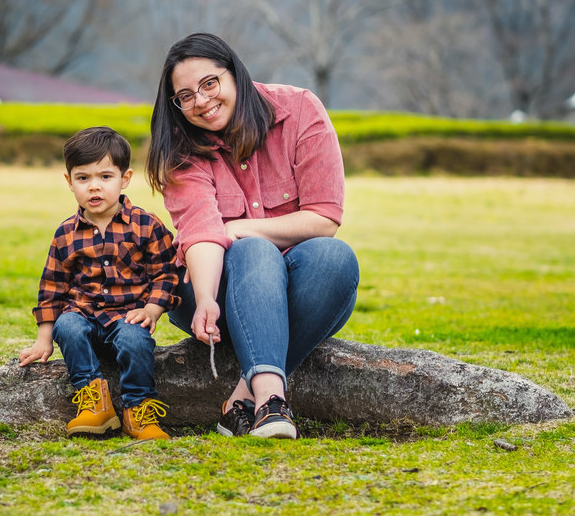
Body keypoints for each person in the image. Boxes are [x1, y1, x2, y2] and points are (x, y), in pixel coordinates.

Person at [146, 33, 359, 440]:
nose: (202, 101)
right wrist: (207, 298)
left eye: (210, 83)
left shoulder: (299, 110)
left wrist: (239, 227)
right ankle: (272, 402)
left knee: (336, 259)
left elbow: (324, 218)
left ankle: (242, 400)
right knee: (254, 252)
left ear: (236, 73)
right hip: (214, 292)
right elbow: (202, 234)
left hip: (300, 289)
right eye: (185, 96)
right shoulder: (180, 148)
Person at [19, 126, 180, 440]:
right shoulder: (66, 233)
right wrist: (43, 340)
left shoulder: (146, 225)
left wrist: (152, 309)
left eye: (105, 177)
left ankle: (139, 410)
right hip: (84, 315)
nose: (94, 187)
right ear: (69, 182)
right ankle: (95, 404)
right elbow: (52, 287)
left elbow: (167, 272)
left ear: (125, 178)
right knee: (67, 325)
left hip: (129, 316)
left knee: (135, 341)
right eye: (83, 178)